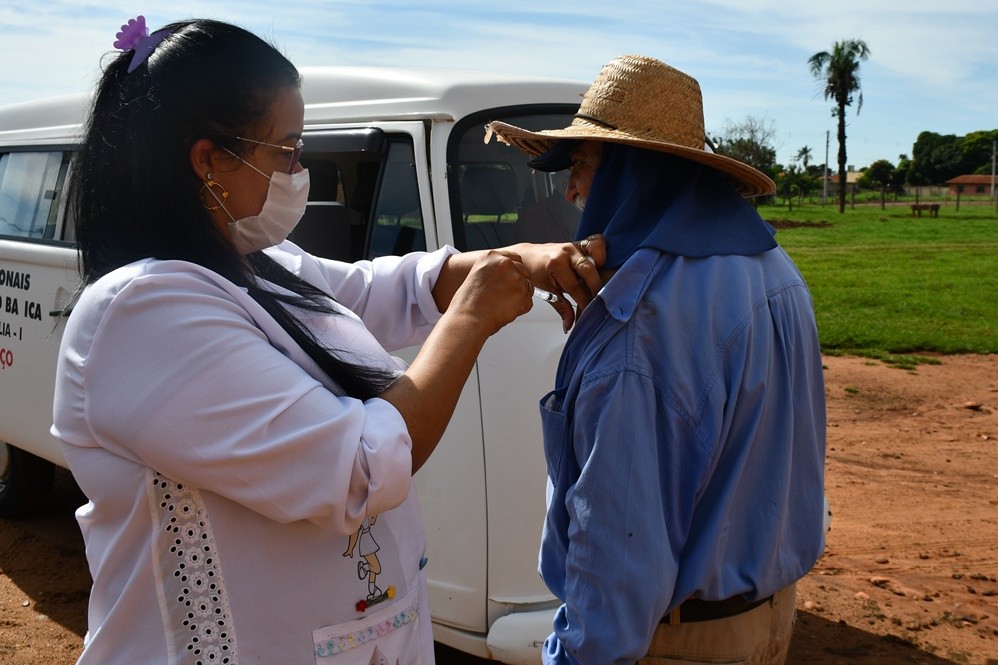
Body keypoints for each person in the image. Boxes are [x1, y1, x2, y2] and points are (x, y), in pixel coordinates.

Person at [51, 17, 605, 665]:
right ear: (208, 161)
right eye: (285, 151)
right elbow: (359, 468)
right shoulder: (143, 313)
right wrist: (471, 319)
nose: (298, 170)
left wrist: (519, 258)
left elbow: (379, 290)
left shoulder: (257, 262)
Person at [486, 54, 827, 664]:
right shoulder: (774, 268)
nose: (570, 189)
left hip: (678, 640)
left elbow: (615, 571)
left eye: (582, 164)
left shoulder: (639, 323)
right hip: (769, 614)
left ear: (632, 172)